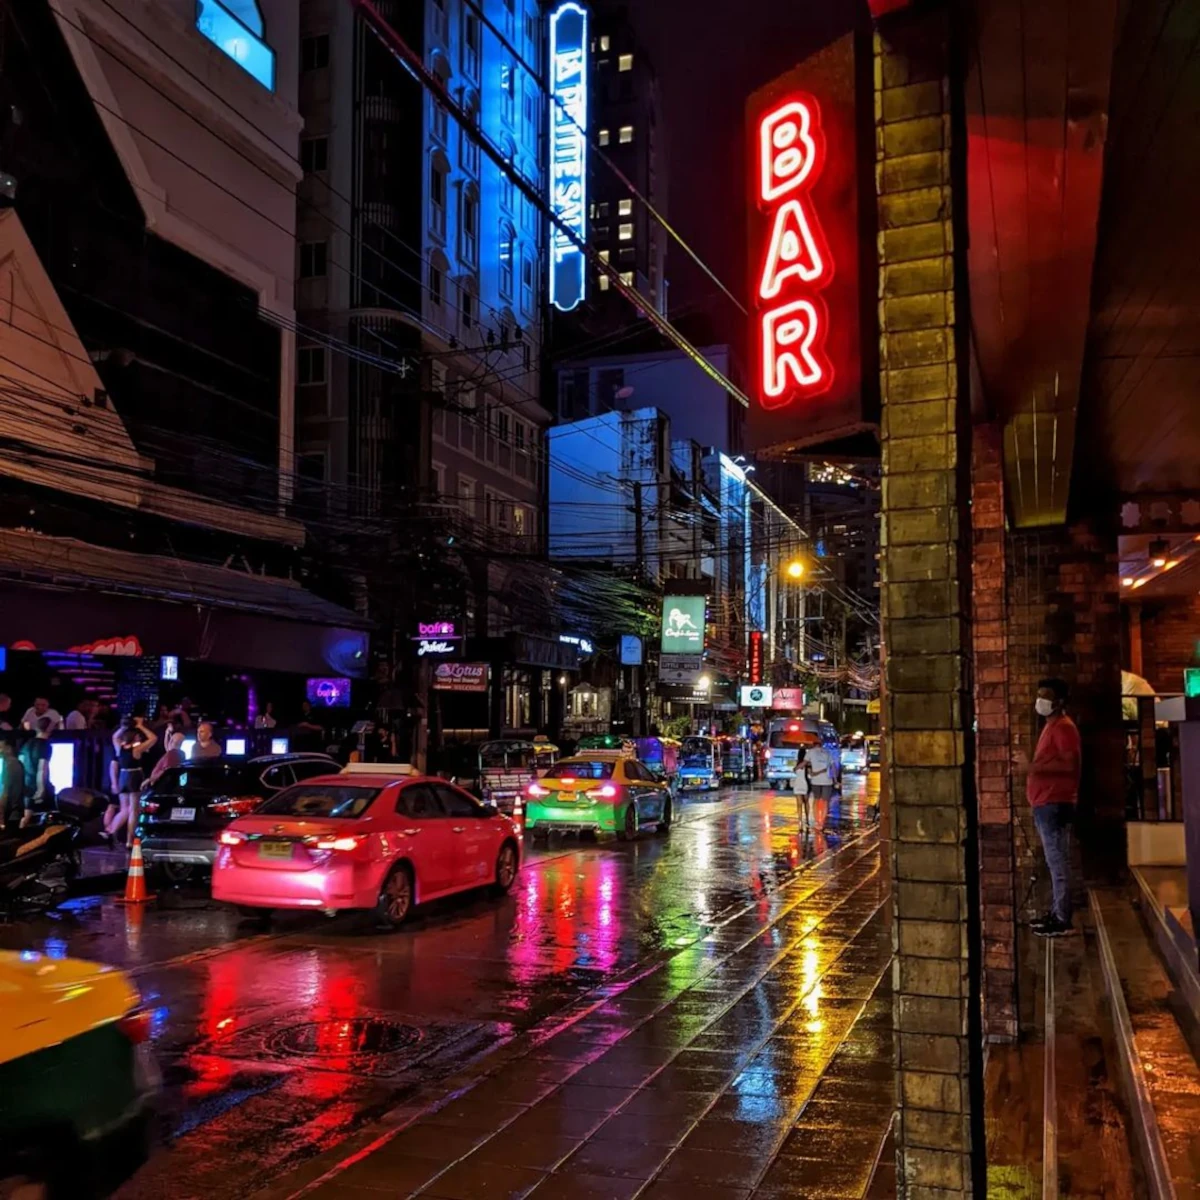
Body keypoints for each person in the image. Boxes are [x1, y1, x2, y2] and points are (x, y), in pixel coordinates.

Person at [1028, 678, 1082, 937]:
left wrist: (1032, 767)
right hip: (1045, 802)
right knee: (1053, 862)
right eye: (1039, 695)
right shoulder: (1051, 726)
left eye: (1046, 696)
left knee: (1058, 861)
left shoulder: (1063, 728)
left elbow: (1070, 766)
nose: (1040, 700)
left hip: (1054, 803)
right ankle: (1056, 912)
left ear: (1059, 701)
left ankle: (1062, 918)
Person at [106, 717, 157, 848]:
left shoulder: (119, 748)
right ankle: (130, 840)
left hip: (122, 776)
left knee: (124, 809)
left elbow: (114, 736)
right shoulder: (137, 749)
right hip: (134, 776)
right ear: (135, 737)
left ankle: (111, 831)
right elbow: (153, 738)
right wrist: (140, 726)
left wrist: (123, 727)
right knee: (134, 810)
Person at [18, 716, 55, 827]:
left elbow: (21, 763)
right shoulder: (45, 745)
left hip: (26, 783)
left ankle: (21, 838)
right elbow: (42, 768)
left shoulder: (27, 744)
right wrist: (41, 788)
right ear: (49, 728)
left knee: (26, 816)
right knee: (48, 815)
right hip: (38, 785)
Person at [805, 739, 834, 828]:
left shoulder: (810, 752)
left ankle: (817, 821)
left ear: (813, 744)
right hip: (827, 781)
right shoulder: (827, 752)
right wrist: (835, 780)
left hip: (815, 780)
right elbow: (832, 767)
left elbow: (807, 764)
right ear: (821, 744)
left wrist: (810, 772)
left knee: (816, 800)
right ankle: (822, 822)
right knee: (825, 802)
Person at [1, 737, 25, 829]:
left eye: (1, 748)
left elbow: (6, 792)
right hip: (13, 813)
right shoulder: (12, 763)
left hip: (11, 814)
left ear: (9, 748)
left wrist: (1, 817)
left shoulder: (11, 764)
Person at [791, 746, 812, 829]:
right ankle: (807, 819)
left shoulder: (797, 764)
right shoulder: (807, 764)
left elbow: (794, 770)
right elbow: (811, 774)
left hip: (797, 784)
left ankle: (800, 822)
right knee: (806, 802)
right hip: (805, 784)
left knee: (799, 804)